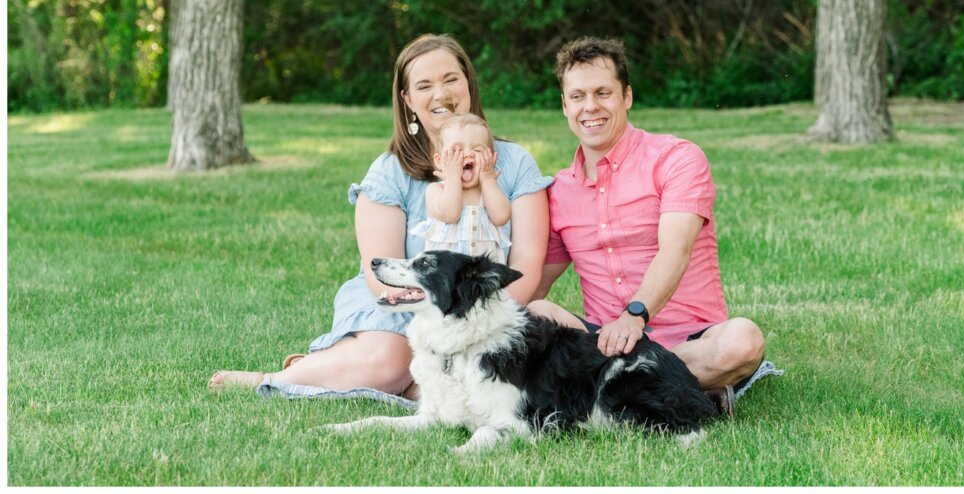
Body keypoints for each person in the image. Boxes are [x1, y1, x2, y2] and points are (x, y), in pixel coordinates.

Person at [208, 34, 552, 398]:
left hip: (491, 308)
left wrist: (478, 321)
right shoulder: (390, 172)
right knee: (391, 361)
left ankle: (378, 375)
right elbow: (380, 274)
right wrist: (441, 323)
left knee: (513, 367)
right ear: (407, 100)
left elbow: (528, 262)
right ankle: (280, 376)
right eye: (424, 85)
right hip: (401, 305)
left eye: (451, 79)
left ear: (468, 83)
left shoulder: (513, 163)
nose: (441, 93)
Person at [528, 36, 767, 415]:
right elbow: (535, 284)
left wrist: (635, 317)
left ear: (627, 97)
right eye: (577, 96)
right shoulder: (560, 190)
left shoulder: (676, 158)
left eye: (603, 93)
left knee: (743, 340)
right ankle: (675, 389)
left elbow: (676, 249)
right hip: (603, 342)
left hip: (689, 338)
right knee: (537, 312)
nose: (590, 107)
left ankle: (618, 386)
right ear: (564, 105)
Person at [409, 113, 511, 264]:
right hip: (446, 276)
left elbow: (501, 217)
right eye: (456, 150)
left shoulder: (488, 192)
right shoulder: (436, 190)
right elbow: (451, 214)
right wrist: (452, 178)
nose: (468, 154)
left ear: (491, 158)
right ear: (439, 161)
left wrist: (488, 180)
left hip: (483, 277)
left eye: (478, 150)